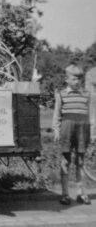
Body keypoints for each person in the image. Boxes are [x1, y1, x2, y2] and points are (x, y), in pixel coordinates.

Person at [52, 64, 92, 205]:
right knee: (65, 161)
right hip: (67, 129)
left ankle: (81, 193)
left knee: (80, 162)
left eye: (79, 79)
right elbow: (57, 115)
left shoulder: (86, 95)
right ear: (66, 79)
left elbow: (90, 115)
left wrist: (91, 133)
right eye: (74, 79)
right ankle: (65, 194)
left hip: (82, 129)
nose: (77, 82)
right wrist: (56, 130)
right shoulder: (61, 94)